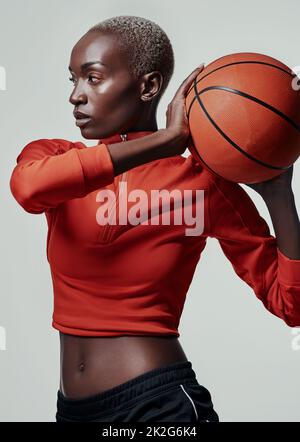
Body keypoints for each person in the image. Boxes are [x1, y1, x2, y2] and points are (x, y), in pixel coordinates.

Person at [9, 15, 300, 423]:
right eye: (72, 79)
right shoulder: (55, 157)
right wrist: (166, 142)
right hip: (74, 411)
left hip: (160, 406)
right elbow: (28, 189)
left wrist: (280, 197)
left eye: (93, 78)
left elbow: (291, 303)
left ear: (148, 86)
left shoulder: (202, 184)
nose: (76, 95)